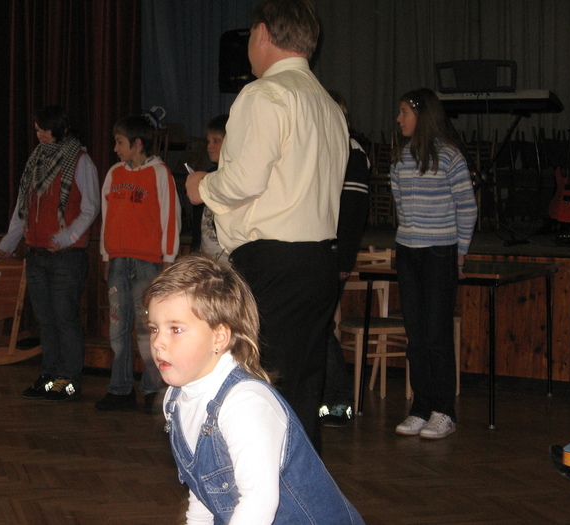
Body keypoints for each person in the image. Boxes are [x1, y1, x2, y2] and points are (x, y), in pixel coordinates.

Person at [185, 0, 349, 450]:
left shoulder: (264, 94)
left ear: (261, 33)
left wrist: (201, 186)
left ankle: (261, 487)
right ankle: (299, 488)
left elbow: (242, 180)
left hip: (272, 263)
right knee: (300, 392)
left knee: (259, 389)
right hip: (319, 261)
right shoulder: (328, 105)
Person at [145, 254, 365, 524]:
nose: (158, 342)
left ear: (219, 337)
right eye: (154, 329)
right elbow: (203, 489)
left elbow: (258, 504)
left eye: (175, 329)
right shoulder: (177, 399)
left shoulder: (245, 404)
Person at [0, 105, 100, 402]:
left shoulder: (80, 160)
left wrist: (66, 238)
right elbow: (23, 206)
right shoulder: (36, 159)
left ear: (61, 129)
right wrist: (9, 241)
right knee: (45, 320)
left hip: (66, 256)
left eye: (45, 129)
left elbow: (91, 207)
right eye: (37, 129)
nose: (40, 134)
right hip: (36, 254)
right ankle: (48, 378)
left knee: (65, 320)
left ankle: (68, 382)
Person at [390, 88, 477, 439]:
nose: (399, 119)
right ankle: (421, 408)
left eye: (404, 113)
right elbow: (399, 202)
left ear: (422, 115)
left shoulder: (450, 157)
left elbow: (466, 206)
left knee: (437, 334)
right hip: (408, 251)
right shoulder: (401, 157)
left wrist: (461, 251)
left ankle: (444, 412)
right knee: (416, 335)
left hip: (440, 251)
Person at [95, 115, 181, 414]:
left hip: (148, 262)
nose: (115, 148)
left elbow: (171, 217)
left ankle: (153, 390)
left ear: (138, 143)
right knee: (118, 327)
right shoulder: (114, 173)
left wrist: (168, 259)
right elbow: (106, 215)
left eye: (120, 142)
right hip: (118, 260)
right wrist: (106, 255)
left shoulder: (160, 173)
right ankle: (120, 389)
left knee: (148, 329)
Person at [320, 101, 371, 428]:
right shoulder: (319, 146)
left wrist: (344, 258)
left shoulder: (352, 152)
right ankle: (324, 401)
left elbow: (353, 212)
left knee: (321, 327)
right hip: (314, 249)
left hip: (333, 252)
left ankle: (339, 404)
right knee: (317, 327)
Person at [190, 114, 229, 263]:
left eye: (216, 140)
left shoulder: (238, 180)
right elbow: (198, 221)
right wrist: (195, 251)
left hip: (230, 259)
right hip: (206, 257)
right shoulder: (207, 176)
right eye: (208, 141)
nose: (209, 146)